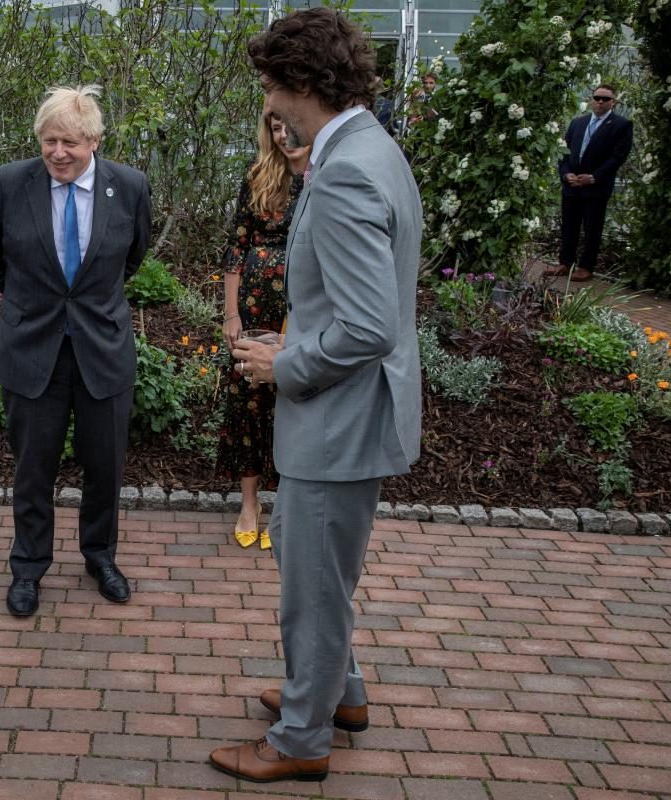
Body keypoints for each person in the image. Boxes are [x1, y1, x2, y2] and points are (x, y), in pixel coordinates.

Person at [212, 7, 422, 783]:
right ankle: (341, 695)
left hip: (335, 423)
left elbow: (366, 326)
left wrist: (284, 367)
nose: (266, 102)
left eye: (270, 84)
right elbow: (360, 310)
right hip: (352, 412)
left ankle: (301, 741)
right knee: (326, 577)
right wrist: (295, 343)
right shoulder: (373, 148)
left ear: (302, 82)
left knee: (311, 589)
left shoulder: (346, 171)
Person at [0, 85, 152, 617]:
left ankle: (101, 557)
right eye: (48, 141)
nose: (57, 153)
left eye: (69, 141)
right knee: (33, 469)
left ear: (94, 140)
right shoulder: (10, 183)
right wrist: (30, 298)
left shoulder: (131, 187)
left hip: (103, 348)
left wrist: (87, 302)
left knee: (105, 467)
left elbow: (131, 256)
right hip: (32, 349)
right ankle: (27, 566)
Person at [218, 111, 309, 550]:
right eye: (275, 127)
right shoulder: (257, 175)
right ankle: (249, 503)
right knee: (249, 401)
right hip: (254, 304)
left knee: (292, 402)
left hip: (302, 309)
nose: (283, 134)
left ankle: (284, 504)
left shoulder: (320, 178)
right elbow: (236, 247)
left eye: (289, 125)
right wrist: (231, 314)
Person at [544, 84, 633, 281]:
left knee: (592, 227)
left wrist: (593, 177)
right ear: (591, 99)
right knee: (569, 226)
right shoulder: (577, 122)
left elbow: (617, 157)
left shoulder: (621, 125)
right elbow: (564, 153)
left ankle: (586, 266)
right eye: (597, 97)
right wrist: (566, 174)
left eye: (605, 99)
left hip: (596, 187)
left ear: (613, 102)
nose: (600, 101)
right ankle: (565, 263)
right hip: (571, 185)